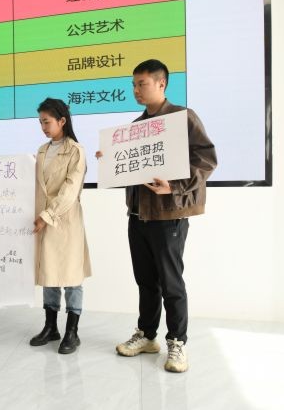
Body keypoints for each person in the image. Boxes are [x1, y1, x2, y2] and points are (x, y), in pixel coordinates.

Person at [100, 59, 217, 374]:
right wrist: (110, 160)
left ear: (161, 83)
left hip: (168, 215)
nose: (136, 90)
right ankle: (148, 335)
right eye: (133, 85)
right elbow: (132, 169)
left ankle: (177, 342)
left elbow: (206, 158)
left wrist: (175, 186)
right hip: (138, 214)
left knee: (171, 283)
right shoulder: (136, 126)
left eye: (142, 84)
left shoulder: (182, 118)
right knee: (145, 281)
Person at [29, 98, 91, 355]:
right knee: (49, 274)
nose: (43, 127)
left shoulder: (76, 150)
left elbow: (70, 190)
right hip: (43, 221)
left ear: (62, 121)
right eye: (40, 122)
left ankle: (72, 332)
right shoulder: (42, 150)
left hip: (65, 221)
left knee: (72, 277)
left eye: (47, 122)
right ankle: (51, 327)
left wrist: (47, 215)